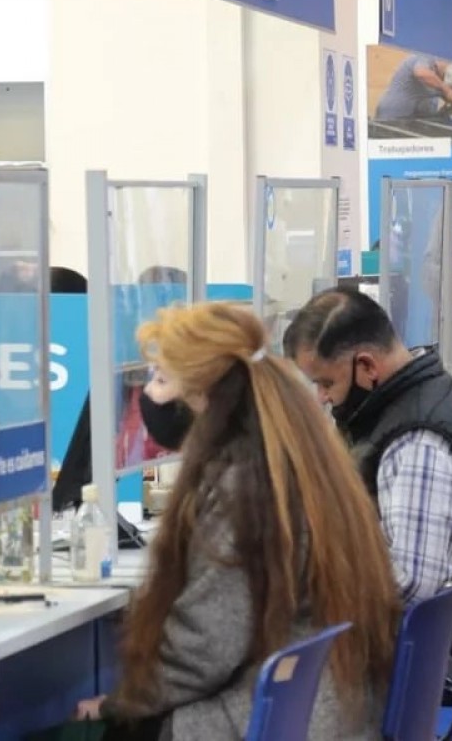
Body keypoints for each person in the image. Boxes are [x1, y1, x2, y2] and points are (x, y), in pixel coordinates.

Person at [74, 303, 398, 740]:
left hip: (268, 721)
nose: (150, 394)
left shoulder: (242, 488)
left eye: (163, 379)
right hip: (324, 710)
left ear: (206, 395)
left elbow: (204, 648)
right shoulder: (297, 459)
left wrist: (119, 703)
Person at [282, 288, 452, 654]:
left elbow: (410, 583)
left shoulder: (417, 438)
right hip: (439, 635)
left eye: (326, 383)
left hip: (426, 653)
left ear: (368, 366)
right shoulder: (424, 396)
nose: (322, 397)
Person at [373, 53, 452, 119]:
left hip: (411, 121)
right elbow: (421, 73)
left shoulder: (440, 81)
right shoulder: (425, 57)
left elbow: (449, 98)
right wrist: (446, 90)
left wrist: (451, 106)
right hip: (392, 118)